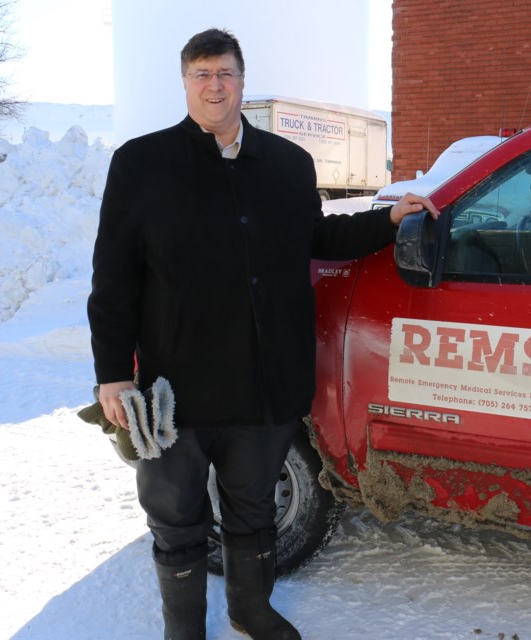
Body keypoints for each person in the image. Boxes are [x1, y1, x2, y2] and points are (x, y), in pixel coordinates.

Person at [87, 27, 439, 640]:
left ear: (242, 81)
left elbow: (317, 238)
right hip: (177, 386)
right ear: (185, 83)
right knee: (177, 515)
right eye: (201, 74)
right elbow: (113, 276)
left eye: (224, 73)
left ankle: (250, 610)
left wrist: (388, 219)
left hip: (264, 383)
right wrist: (114, 371)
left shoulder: (287, 163)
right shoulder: (141, 164)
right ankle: (184, 629)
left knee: (252, 509)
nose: (214, 85)